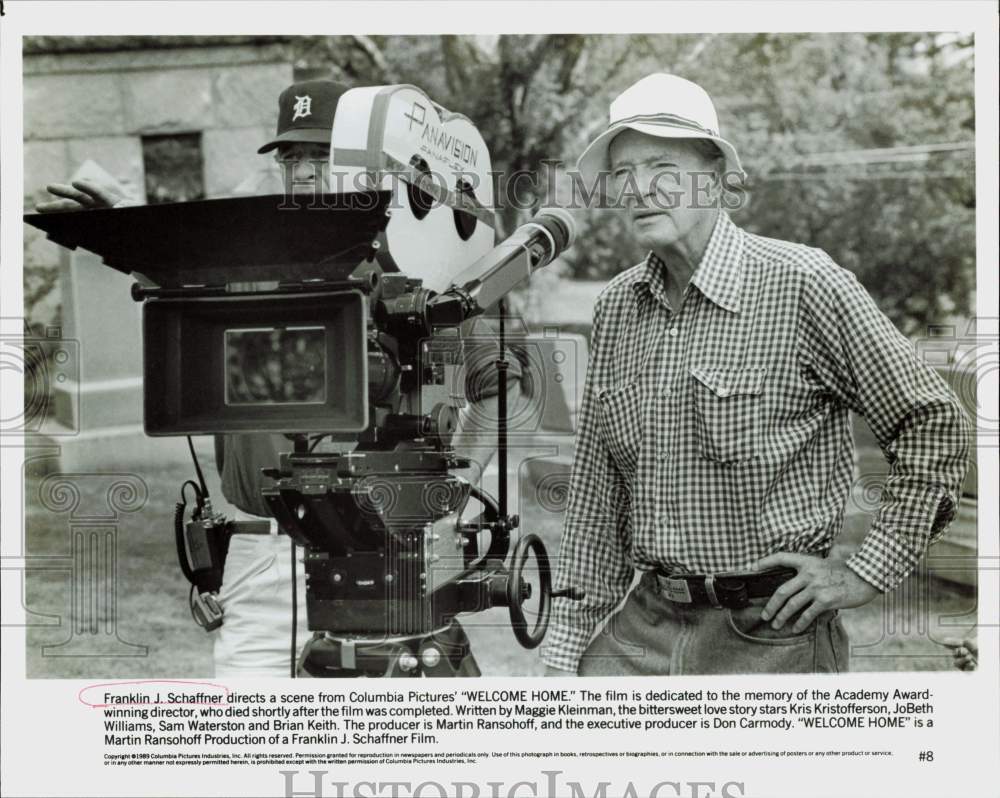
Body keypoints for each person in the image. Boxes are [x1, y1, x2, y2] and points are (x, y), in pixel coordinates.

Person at [38, 78, 528, 677]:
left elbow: (507, 389)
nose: (306, 175)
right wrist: (127, 223)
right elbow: (178, 273)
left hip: (384, 552)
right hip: (259, 554)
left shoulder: (428, 263)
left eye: (324, 158)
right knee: (255, 751)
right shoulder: (240, 257)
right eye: (293, 159)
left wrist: (453, 495)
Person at [541, 73, 972, 676]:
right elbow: (596, 491)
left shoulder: (803, 282)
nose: (638, 188)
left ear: (716, 177)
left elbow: (933, 422)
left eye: (661, 166)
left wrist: (866, 571)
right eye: (622, 173)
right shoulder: (617, 305)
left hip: (772, 638)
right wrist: (565, 650)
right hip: (643, 626)